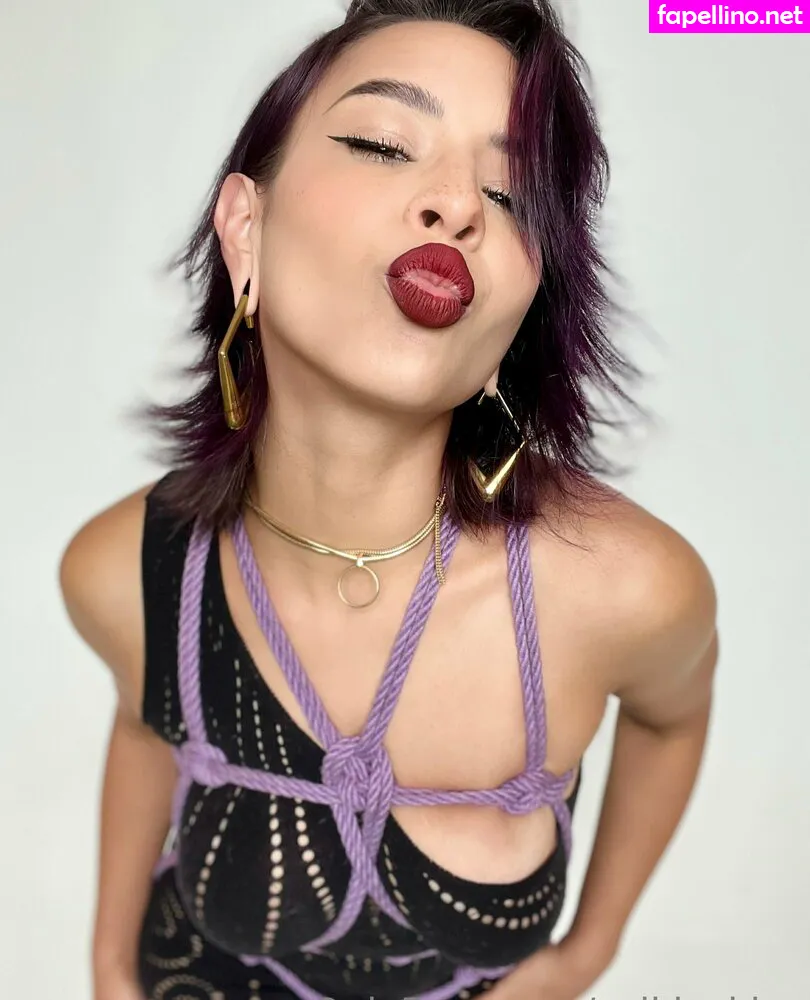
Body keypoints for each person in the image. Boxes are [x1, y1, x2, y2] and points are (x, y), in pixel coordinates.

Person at [59, 1, 719, 998]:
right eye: (382, 144)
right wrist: (110, 967)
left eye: (509, 193)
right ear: (245, 227)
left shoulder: (622, 591)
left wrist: (588, 952)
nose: (456, 205)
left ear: (524, 309)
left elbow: (673, 719)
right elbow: (149, 723)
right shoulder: (128, 570)